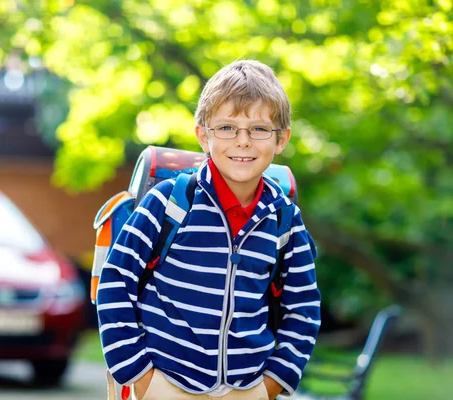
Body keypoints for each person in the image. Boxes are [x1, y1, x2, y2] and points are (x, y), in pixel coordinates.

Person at [96, 59, 321, 400]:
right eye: (227, 128)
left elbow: (303, 310)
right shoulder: (169, 203)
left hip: (247, 391)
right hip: (162, 385)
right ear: (203, 135)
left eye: (259, 129)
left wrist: (270, 386)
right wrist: (139, 376)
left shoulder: (284, 219)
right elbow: (115, 283)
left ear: (281, 139)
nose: (242, 142)